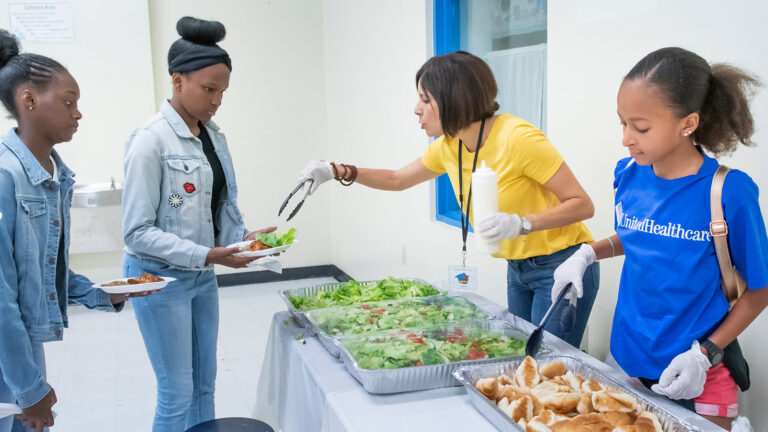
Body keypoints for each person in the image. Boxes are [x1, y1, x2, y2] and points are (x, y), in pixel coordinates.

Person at [297, 51, 599, 347]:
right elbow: (398, 179)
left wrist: (522, 223)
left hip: (562, 263)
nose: (417, 109)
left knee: (546, 364)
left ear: (456, 99)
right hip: (517, 267)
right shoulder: (448, 145)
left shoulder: (518, 138)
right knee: (522, 356)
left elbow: (582, 204)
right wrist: (337, 171)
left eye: (426, 99)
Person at [552, 47, 768, 430]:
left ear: (688, 123)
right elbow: (638, 237)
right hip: (629, 357)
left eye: (641, 127)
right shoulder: (628, 174)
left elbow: (760, 289)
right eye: (622, 123)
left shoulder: (729, 192)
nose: (626, 139)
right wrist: (588, 253)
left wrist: (705, 354)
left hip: (701, 371)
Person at [121, 17, 273, 431]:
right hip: (157, 278)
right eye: (209, 89)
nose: (217, 100)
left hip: (201, 276)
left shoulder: (214, 136)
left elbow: (215, 205)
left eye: (222, 91)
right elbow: (136, 232)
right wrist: (207, 253)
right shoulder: (149, 141)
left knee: (205, 386)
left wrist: (242, 240)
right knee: (175, 393)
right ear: (177, 81)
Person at [0, 30, 154, 432]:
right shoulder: (5, 177)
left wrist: (103, 294)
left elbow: (39, 270)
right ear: (29, 101)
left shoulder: (50, 176)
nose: (78, 113)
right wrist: (29, 389)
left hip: (20, 349)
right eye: (69, 102)